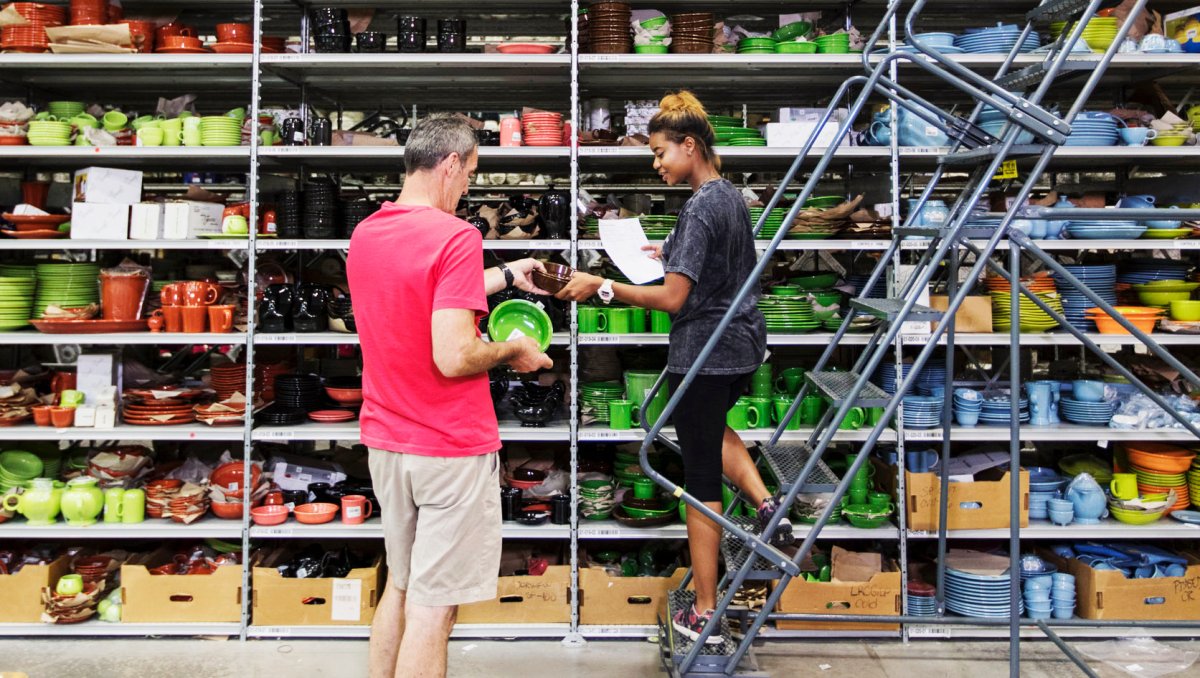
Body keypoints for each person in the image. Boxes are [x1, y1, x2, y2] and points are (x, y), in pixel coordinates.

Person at [555, 91, 791, 645]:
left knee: (700, 479)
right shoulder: (726, 197)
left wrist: (602, 287)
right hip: (739, 346)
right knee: (706, 428)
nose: (657, 163)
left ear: (691, 145)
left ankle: (705, 610)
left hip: (707, 350)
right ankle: (765, 501)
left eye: (662, 153)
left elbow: (674, 301)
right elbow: (721, 265)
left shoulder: (702, 205)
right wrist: (674, 250)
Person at [347, 115, 553, 678]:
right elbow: (454, 355)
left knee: (402, 586)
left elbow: (421, 290)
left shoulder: (367, 234)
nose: (468, 190)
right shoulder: (458, 236)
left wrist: (508, 275)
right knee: (434, 612)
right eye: (470, 176)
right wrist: (514, 349)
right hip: (448, 448)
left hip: (388, 442)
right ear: (450, 165)